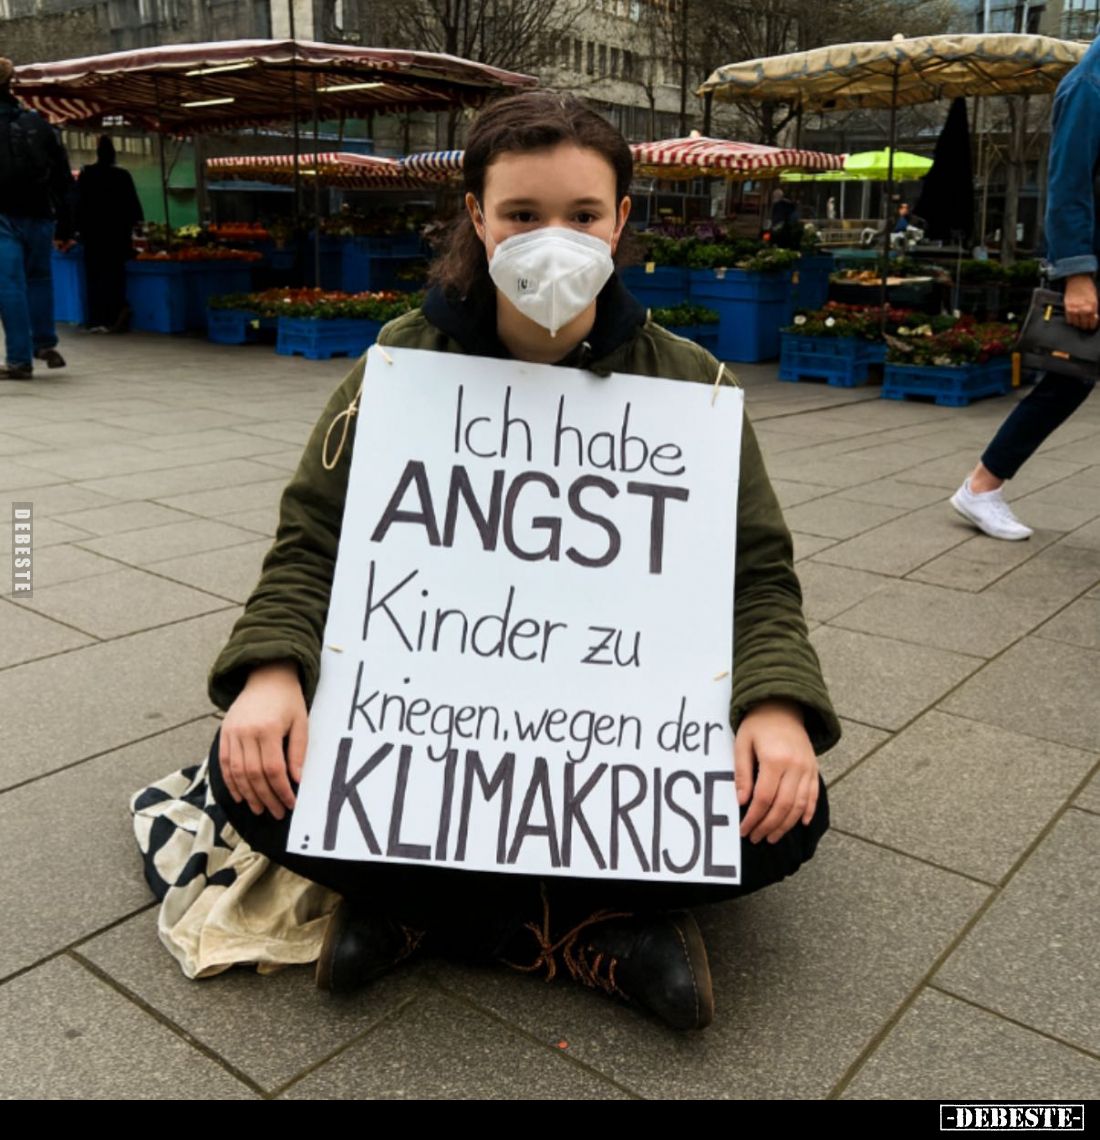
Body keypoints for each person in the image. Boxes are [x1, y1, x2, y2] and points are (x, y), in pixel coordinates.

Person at [131, 93, 840, 1032]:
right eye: (521, 214)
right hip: (434, 722)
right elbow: (312, 542)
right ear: (476, 216)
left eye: (583, 215)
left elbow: (757, 576)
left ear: (622, 219)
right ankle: (589, 932)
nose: (556, 239)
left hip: (612, 734)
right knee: (250, 780)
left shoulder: (694, 387)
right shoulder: (395, 365)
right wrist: (269, 673)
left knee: (789, 818)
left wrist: (778, 709)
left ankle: (423, 912)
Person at [950, 40, 1100, 540]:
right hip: (1092, 267)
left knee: (1068, 382)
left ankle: (981, 486)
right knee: (1067, 381)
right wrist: (1077, 274)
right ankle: (981, 486)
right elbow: (1068, 184)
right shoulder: (1089, 84)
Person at [0, 56, 76, 380]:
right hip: (41, 214)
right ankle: (45, 342)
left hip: (4, 215)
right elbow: (62, 176)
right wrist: (67, 224)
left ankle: (19, 359)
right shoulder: (37, 122)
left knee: (11, 286)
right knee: (40, 279)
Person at [76, 135, 143, 333]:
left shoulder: (86, 174)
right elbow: (134, 208)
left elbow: (78, 205)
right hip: (117, 236)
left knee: (95, 277)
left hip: (93, 236)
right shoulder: (122, 176)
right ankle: (115, 316)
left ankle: (96, 319)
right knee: (114, 277)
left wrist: (77, 230)